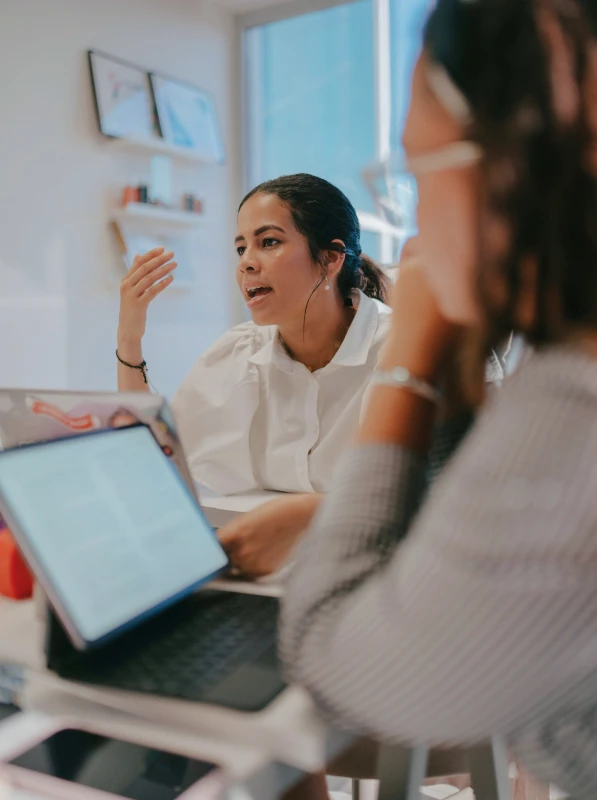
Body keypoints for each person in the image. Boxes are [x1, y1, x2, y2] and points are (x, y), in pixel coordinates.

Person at [281, 0, 597, 798]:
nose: (416, 217)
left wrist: (409, 362)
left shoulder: (571, 412)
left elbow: (335, 661)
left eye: (417, 172)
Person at [116, 173, 390, 576]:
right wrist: (129, 338)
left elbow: (427, 498)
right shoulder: (238, 352)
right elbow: (156, 458)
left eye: (269, 242)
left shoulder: (401, 349)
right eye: (241, 247)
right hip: (262, 576)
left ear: (331, 258)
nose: (246, 262)